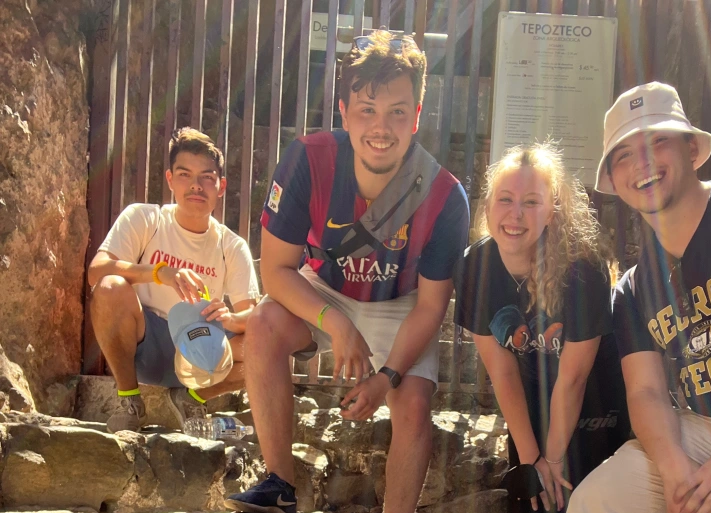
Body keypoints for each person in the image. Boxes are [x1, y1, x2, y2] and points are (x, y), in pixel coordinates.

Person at [224, 30, 469, 513]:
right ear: (343, 110)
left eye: (398, 111)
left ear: (417, 116)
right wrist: (336, 324)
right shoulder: (307, 160)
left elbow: (432, 306)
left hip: (401, 301)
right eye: (367, 109)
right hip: (328, 286)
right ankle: (278, 485)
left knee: (414, 403)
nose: (382, 127)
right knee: (264, 323)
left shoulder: (444, 195)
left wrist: (386, 377)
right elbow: (275, 271)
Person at [569, 81, 711, 513]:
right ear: (615, 181)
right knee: (596, 500)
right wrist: (674, 466)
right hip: (701, 429)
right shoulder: (634, 289)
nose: (641, 163)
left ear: (692, 151)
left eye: (657, 141)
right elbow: (646, 393)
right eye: (623, 154)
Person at [454, 142, 630, 512]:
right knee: (533, 497)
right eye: (505, 199)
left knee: (582, 497)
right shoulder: (475, 266)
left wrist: (552, 459)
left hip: (598, 395)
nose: (515, 215)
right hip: (533, 394)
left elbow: (575, 378)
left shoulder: (583, 269)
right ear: (487, 207)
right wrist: (533, 460)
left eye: (532, 202)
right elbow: (501, 371)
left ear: (552, 212)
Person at [88, 127, 260, 434]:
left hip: (202, 354)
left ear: (221, 186)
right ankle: (128, 401)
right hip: (144, 345)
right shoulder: (144, 218)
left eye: (207, 177)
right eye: (184, 174)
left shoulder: (232, 245)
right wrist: (159, 272)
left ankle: (191, 397)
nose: (196, 186)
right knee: (110, 287)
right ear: (170, 180)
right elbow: (97, 271)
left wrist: (231, 318)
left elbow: (254, 316)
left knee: (267, 343)